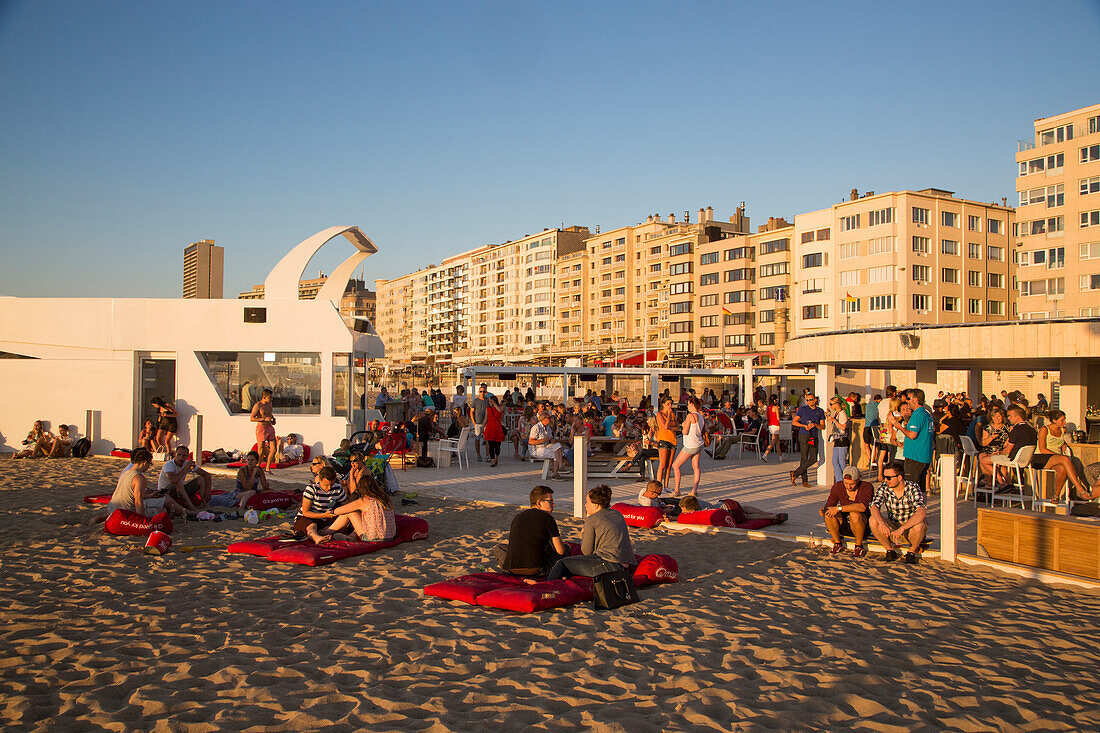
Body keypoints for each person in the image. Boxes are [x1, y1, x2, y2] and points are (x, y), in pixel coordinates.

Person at [546, 485, 635, 581]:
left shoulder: (592, 519)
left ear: (595, 505)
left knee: (562, 563)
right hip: (625, 566)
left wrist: (583, 534)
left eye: (587, 502)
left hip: (608, 565)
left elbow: (586, 551)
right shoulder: (618, 514)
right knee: (572, 566)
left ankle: (545, 586)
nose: (585, 505)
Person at [495, 485, 567, 578]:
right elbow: (560, 551)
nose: (553, 505)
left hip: (512, 569)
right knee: (567, 549)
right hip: (538, 570)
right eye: (550, 501)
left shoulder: (518, 517)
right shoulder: (548, 518)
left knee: (499, 548)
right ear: (539, 503)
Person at [105, 448, 196, 518]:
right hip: (126, 511)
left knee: (162, 502)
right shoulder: (139, 478)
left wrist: (151, 496)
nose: (149, 467)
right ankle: (190, 512)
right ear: (145, 462)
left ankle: (189, 511)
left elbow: (133, 495)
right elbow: (138, 502)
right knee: (163, 510)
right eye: (150, 464)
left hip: (112, 509)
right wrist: (141, 522)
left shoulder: (127, 472)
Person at [869, 463, 928, 563]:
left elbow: (921, 512)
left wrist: (902, 528)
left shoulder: (912, 487)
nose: (885, 480)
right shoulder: (884, 487)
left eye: (888, 478)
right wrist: (882, 524)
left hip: (909, 528)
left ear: (900, 477)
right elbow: (874, 506)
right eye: (884, 477)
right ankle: (889, 550)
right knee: (873, 520)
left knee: (920, 525)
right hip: (893, 527)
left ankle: (911, 551)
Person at [331, 455, 396, 541]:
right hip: (390, 535)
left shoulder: (364, 500)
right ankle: (351, 536)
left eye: (355, 460)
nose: (353, 463)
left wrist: (329, 512)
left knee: (350, 512)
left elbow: (340, 510)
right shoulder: (385, 497)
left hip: (373, 537)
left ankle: (326, 532)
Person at [1033, 410, 1089, 501]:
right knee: (1064, 459)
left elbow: (1060, 443)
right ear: (1054, 420)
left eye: (1064, 420)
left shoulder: (1062, 430)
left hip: (1055, 458)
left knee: (1062, 469)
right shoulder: (1044, 429)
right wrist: (1058, 456)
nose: (1064, 422)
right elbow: (1042, 449)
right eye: (1062, 420)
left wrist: (1064, 445)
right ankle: (1079, 487)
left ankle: (1056, 496)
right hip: (1041, 457)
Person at [820, 466, 874, 557]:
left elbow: (862, 507)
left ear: (858, 480)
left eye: (852, 484)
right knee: (829, 514)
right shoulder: (838, 486)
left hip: (862, 524)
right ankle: (837, 542)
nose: (849, 486)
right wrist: (824, 510)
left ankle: (858, 545)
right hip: (844, 523)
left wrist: (838, 508)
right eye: (846, 483)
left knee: (854, 514)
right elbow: (830, 505)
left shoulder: (867, 486)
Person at [979, 405, 1037, 488]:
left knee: (983, 461)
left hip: (1013, 458)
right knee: (987, 457)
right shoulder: (1032, 429)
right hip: (1025, 460)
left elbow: (1008, 450)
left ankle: (1002, 483)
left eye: (1010, 416)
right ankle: (1004, 483)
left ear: (1018, 417)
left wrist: (998, 454)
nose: (1008, 418)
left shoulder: (1015, 430)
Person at [292, 466, 350, 544]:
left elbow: (346, 505)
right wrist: (323, 515)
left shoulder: (338, 488)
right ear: (320, 480)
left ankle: (325, 533)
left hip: (325, 518)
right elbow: (306, 512)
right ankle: (317, 538)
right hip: (307, 517)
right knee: (312, 525)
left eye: (331, 485)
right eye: (326, 485)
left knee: (348, 514)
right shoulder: (312, 489)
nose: (329, 488)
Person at [158, 446, 213, 513]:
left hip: (179, 490)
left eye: (183, 456)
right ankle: (192, 508)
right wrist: (186, 468)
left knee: (201, 479)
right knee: (178, 482)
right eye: (178, 455)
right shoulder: (169, 465)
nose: (181, 458)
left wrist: (208, 491)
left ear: (187, 456)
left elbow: (206, 475)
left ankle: (206, 505)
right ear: (175, 455)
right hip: (166, 492)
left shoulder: (187, 463)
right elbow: (173, 479)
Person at [898, 389, 933, 488]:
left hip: (915, 456)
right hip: (924, 455)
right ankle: (921, 504)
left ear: (916, 399)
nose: (907, 401)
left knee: (911, 487)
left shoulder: (917, 414)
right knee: (921, 488)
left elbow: (912, 435)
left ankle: (913, 504)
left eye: (909, 398)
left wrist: (899, 426)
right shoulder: (926, 414)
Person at [670, 397, 705, 497]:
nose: (688, 406)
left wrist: (684, 424)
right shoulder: (700, 415)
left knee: (675, 465)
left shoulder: (690, 416)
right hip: (699, 443)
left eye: (689, 404)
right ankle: (694, 490)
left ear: (692, 405)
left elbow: (684, 432)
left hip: (690, 444)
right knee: (696, 467)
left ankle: (677, 489)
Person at [790, 394, 825, 488]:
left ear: (815, 400)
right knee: (804, 458)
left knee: (813, 458)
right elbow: (794, 422)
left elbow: (823, 426)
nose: (809, 401)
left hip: (813, 436)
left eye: (811, 400)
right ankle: (804, 481)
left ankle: (795, 473)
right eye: (807, 400)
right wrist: (804, 426)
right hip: (804, 435)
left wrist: (815, 425)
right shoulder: (803, 409)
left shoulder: (820, 411)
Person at [529, 411, 565, 480]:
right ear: (544, 419)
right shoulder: (536, 427)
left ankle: (560, 466)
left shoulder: (548, 427)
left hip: (545, 446)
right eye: (549, 418)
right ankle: (555, 474)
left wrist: (552, 440)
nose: (550, 419)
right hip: (536, 449)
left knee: (558, 445)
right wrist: (543, 440)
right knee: (555, 453)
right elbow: (531, 441)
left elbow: (549, 438)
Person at [825, 396, 851, 483]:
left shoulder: (842, 413)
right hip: (837, 440)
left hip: (842, 440)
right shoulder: (837, 413)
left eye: (831, 404)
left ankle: (845, 480)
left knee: (842, 462)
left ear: (837, 404)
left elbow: (843, 428)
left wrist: (834, 420)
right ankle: (839, 481)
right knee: (835, 461)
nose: (831, 406)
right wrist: (830, 417)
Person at [250, 388, 278, 469]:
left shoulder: (269, 404)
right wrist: (263, 419)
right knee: (261, 449)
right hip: (261, 428)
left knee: (273, 449)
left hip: (269, 427)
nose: (271, 399)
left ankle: (267, 467)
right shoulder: (258, 405)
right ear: (264, 397)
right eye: (270, 397)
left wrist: (273, 420)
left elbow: (270, 414)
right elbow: (252, 418)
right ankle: (258, 465)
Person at [655, 397, 679, 489]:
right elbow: (665, 426)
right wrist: (669, 415)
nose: (670, 406)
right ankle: (658, 485)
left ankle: (666, 486)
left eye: (671, 404)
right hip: (663, 439)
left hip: (672, 439)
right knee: (662, 464)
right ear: (663, 404)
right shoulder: (660, 414)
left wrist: (672, 427)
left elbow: (677, 427)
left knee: (669, 466)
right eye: (668, 404)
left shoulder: (673, 414)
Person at [861, 394, 882, 471]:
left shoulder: (867, 405)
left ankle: (870, 460)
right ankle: (873, 461)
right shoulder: (879, 405)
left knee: (866, 445)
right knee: (874, 445)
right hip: (875, 427)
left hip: (867, 426)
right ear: (879, 399)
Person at [483, 396, 505, 467]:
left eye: (490, 401)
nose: (489, 402)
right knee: (491, 445)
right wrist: (483, 427)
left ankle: (496, 457)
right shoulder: (488, 409)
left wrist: (494, 404)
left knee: (497, 445)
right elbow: (486, 418)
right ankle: (492, 459)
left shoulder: (500, 407)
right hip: (490, 427)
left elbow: (499, 410)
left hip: (497, 427)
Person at [470, 384, 489, 462]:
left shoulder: (488, 400)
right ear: (479, 392)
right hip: (478, 422)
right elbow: (471, 412)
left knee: (487, 439)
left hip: (487, 423)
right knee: (477, 439)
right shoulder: (475, 401)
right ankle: (478, 454)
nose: (482, 393)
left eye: (483, 391)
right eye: (481, 391)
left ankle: (487, 455)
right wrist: (474, 423)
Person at [761, 395, 782, 462]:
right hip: (776, 424)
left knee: (777, 441)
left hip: (770, 425)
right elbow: (778, 418)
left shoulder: (768, 407)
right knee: (773, 441)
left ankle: (780, 456)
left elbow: (766, 418)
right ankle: (765, 454)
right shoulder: (775, 407)